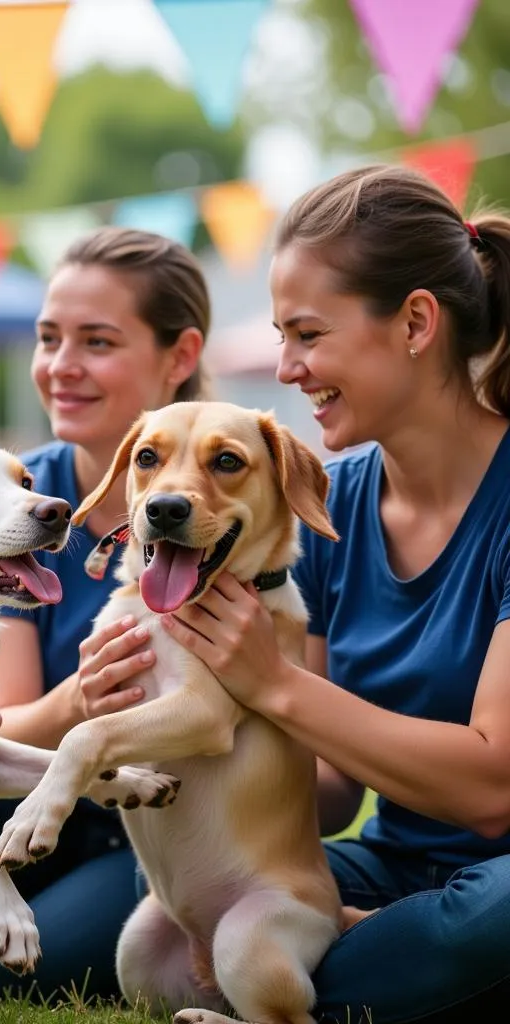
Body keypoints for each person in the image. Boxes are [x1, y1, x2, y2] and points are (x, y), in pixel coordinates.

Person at [93, 165, 510, 1024]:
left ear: (417, 323)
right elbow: (327, 794)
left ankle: (303, 983)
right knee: (100, 938)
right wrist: (162, 703)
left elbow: (490, 787)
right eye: (283, 338)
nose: (286, 368)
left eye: (307, 335)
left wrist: (274, 686)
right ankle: (320, 974)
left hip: (497, 884)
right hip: (384, 864)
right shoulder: (325, 503)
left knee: (481, 924)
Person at [0, 227, 210, 1001]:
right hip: (45, 805)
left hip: (171, 835)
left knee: (20, 980)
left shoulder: (227, 500)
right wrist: (80, 703)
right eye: (48, 338)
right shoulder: (18, 499)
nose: (61, 366)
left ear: (179, 356)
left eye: (96, 341)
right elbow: (0, 723)